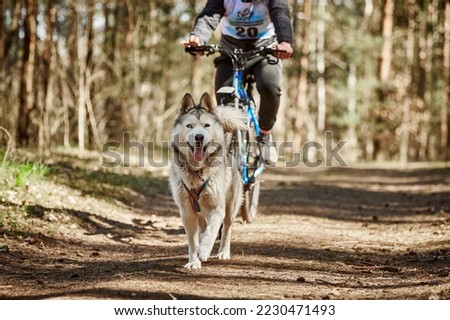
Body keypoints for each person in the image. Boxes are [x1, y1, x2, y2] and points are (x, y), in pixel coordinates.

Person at [181, 0, 293, 165]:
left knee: (270, 87)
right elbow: (209, 16)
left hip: (264, 50)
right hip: (231, 50)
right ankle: (227, 143)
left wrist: (285, 41)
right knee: (223, 96)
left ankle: (264, 135)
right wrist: (198, 38)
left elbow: (280, 13)